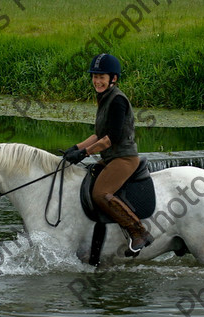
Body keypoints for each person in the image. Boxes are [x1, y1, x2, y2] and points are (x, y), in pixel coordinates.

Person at [64, 53, 153, 254]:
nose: (97, 81)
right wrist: (76, 148)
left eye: (101, 77)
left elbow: (109, 139)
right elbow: (98, 135)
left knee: (100, 194)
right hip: (111, 158)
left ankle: (139, 231)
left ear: (113, 78)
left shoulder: (117, 101)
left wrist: (84, 153)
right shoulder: (104, 98)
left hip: (124, 158)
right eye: (95, 77)